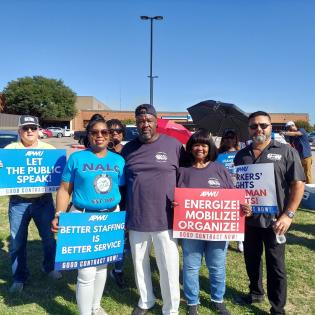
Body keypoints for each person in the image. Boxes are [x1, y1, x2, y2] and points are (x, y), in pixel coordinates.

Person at [51, 114, 125, 315]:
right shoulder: (77, 158)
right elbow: (65, 189)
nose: (99, 136)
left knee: (102, 266)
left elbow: (122, 190)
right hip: (82, 216)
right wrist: (59, 213)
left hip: (110, 217)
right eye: (94, 132)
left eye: (104, 132)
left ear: (110, 136)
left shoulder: (118, 161)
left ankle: (96, 306)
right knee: (85, 271)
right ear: (88, 136)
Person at [234, 111, 305, 315]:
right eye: (254, 126)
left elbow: (298, 184)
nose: (259, 129)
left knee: (276, 266)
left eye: (263, 125)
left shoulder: (286, 151)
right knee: (251, 259)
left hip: (276, 221)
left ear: (271, 127)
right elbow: (239, 187)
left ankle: (277, 307)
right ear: (248, 129)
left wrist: (288, 215)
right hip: (249, 220)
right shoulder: (241, 155)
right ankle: (255, 292)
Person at [176, 129, 252, 315]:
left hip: (217, 229)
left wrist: (244, 207)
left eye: (203, 144)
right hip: (191, 229)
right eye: (196, 144)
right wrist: (175, 204)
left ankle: (218, 299)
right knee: (191, 266)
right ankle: (192, 301)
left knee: (217, 265)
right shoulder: (183, 171)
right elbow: (175, 196)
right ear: (190, 148)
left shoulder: (219, 169)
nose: (199, 148)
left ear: (209, 147)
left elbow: (234, 197)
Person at [121, 104, 183, 315]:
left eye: (148, 120)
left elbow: (185, 179)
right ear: (136, 123)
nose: (144, 124)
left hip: (165, 218)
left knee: (169, 266)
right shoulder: (128, 149)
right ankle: (145, 300)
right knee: (139, 263)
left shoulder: (174, 146)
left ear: (156, 121)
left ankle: (171, 307)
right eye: (140, 121)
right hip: (137, 217)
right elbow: (120, 184)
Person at [0, 115, 61, 293]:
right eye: (25, 128)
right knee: (17, 241)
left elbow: (58, 172)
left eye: (33, 128)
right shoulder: (10, 150)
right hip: (18, 202)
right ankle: (19, 277)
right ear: (19, 131)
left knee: (49, 238)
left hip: (44, 201)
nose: (29, 131)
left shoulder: (49, 150)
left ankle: (49, 267)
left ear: (38, 130)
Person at [107, 118, 128, 289]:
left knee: (122, 239)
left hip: (125, 199)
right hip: (102, 200)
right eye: (111, 131)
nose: (115, 134)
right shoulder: (99, 150)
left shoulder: (129, 150)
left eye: (118, 131)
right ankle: (99, 266)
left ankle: (118, 270)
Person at [218, 130, 243, 253]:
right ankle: (225, 239)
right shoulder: (218, 154)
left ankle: (239, 241)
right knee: (226, 215)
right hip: (223, 188)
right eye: (226, 137)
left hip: (238, 187)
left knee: (238, 213)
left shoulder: (241, 153)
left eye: (231, 137)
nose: (229, 139)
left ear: (235, 139)